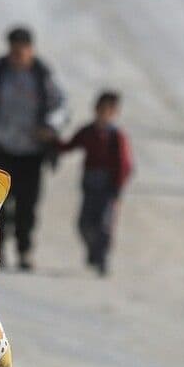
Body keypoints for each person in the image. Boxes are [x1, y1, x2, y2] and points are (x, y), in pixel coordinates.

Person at [0, 27, 67, 271]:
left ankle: (25, 250)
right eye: (13, 50)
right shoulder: (0, 72)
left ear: (30, 49)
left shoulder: (42, 76)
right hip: (0, 148)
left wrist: (50, 126)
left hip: (31, 153)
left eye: (21, 50)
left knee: (27, 204)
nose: (17, 55)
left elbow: (62, 106)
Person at [58, 91, 134, 276]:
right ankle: (93, 251)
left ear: (114, 112)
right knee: (84, 224)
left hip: (108, 187)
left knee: (104, 225)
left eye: (108, 110)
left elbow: (124, 164)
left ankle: (101, 259)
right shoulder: (88, 131)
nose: (103, 114)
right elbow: (69, 146)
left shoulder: (116, 137)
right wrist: (50, 142)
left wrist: (117, 187)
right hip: (90, 184)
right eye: (101, 109)